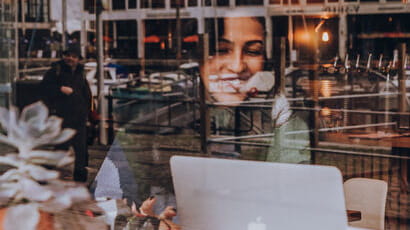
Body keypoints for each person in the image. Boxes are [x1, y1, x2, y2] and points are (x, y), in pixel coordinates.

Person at [40, 48, 92, 182]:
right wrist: (59, 89)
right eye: (68, 55)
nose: (70, 58)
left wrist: (89, 113)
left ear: (78, 59)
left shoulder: (81, 72)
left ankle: (80, 179)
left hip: (79, 116)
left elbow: (86, 93)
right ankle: (43, 174)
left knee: (81, 149)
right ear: (63, 56)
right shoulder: (55, 71)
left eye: (74, 56)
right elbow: (43, 89)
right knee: (61, 147)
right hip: (62, 116)